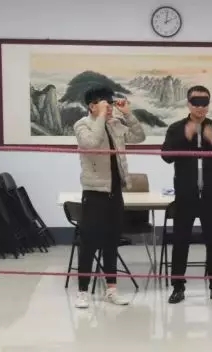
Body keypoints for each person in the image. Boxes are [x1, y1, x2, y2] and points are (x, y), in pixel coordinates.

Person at [161, 85, 212, 304]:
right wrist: (185, 138)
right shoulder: (176, 128)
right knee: (180, 241)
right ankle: (177, 287)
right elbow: (166, 156)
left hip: (210, 195)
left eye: (204, 103)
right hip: (185, 195)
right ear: (188, 104)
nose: (200, 108)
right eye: (196, 103)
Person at [73, 86, 146, 309]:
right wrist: (101, 118)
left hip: (116, 191)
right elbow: (92, 144)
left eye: (110, 103)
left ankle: (111, 289)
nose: (109, 107)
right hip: (94, 192)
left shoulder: (115, 124)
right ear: (91, 106)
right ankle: (83, 291)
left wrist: (128, 114)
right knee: (89, 242)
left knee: (111, 241)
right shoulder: (82, 125)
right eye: (105, 103)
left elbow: (139, 137)